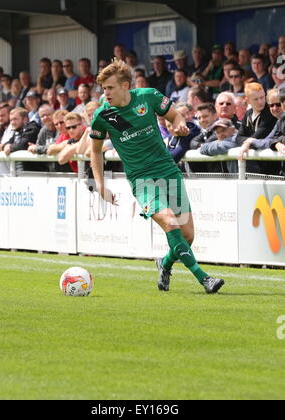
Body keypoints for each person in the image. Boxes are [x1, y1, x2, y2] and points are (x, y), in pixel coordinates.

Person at [90, 59, 225, 294]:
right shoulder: (102, 115)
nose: (106, 93)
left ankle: (165, 263)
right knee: (171, 223)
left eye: (110, 87)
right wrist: (101, 186)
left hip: (168, 170)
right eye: (103, 89)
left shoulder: (148, 96)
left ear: (125, 85)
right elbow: (94, 152)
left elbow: (175, 117)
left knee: (187, 236)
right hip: (142, 179)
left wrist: (180, 125)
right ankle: (204, 279)